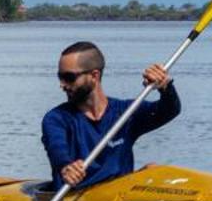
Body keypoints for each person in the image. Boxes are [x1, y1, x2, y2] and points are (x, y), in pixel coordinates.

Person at [42, 40, 180, 188]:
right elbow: (56, 149)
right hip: (74, 194)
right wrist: (66, 167)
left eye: (69, 78)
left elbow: (170, 110)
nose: (62, 85)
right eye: (60, 77)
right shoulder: (56, 119)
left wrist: (165, 87)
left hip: (118, 196)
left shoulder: (125, 113)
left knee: (153, 169)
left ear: (94, 76)